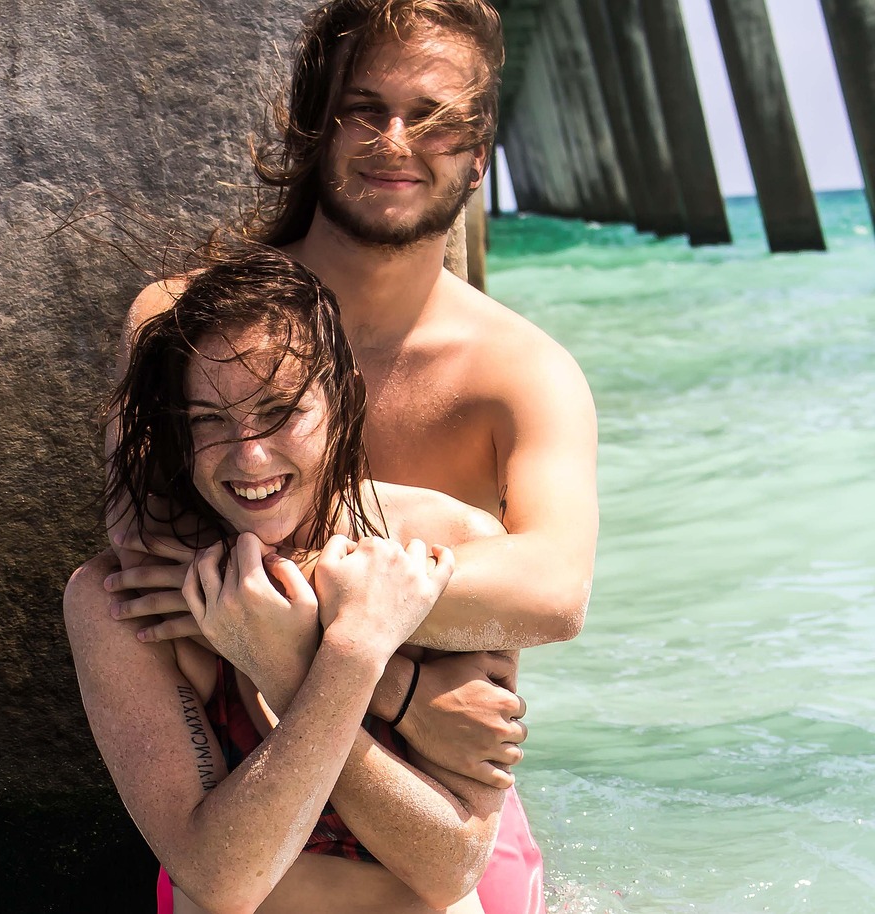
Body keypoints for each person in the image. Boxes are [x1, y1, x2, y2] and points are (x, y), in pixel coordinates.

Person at [103, 2, 600, 912]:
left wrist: (291, 615)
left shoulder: (518, 372)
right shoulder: (184, 326)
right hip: (253, 794)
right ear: (315, 125)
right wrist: (407, 681)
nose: (395, 140)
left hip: (437, 813)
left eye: (436, 116)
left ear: (481, 148)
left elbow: (553, 596)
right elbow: (151, 563)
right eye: (363, 108)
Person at [66, 245, 521, 913]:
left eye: (281, 412)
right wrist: (351, 653)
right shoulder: (122, 606)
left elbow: (450, 866)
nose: (250, 456)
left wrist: (289, 662)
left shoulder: (444, 548)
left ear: (342, 400)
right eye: (210, 421)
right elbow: (222, 880)